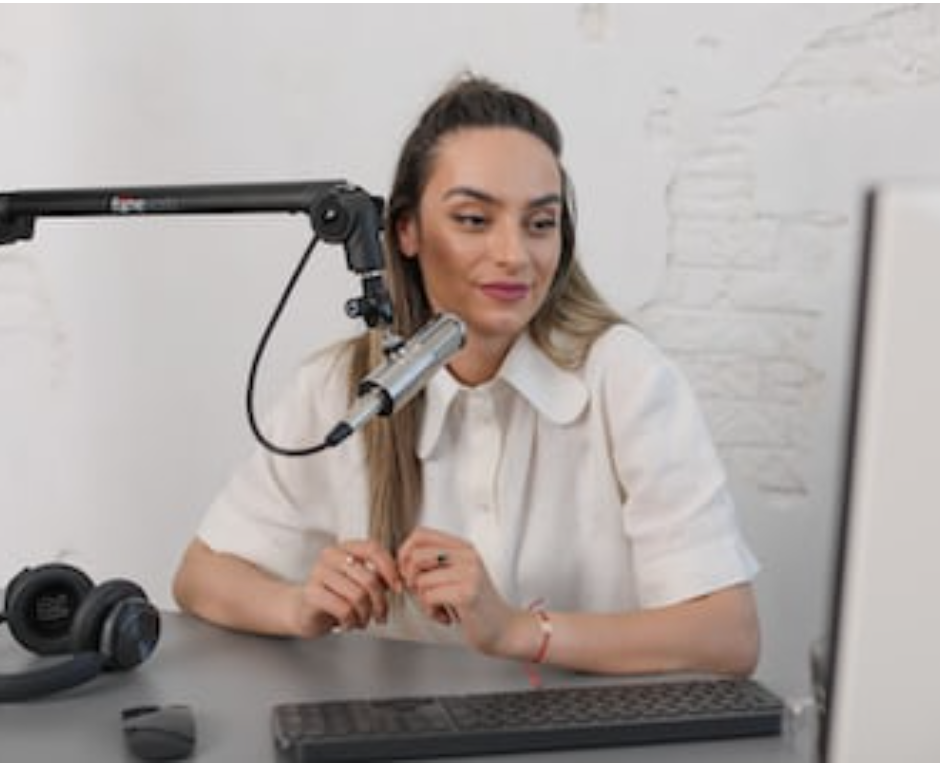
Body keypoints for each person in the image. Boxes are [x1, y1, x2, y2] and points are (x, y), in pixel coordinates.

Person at [173, 74, 760, 677]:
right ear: (405, 231)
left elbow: (727, 635)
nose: (514, 254)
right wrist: (299, 605)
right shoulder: (341, 387)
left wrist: (516, 631)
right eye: (475, 220)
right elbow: (201, 576)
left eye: (539, 223)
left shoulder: (626, 377)